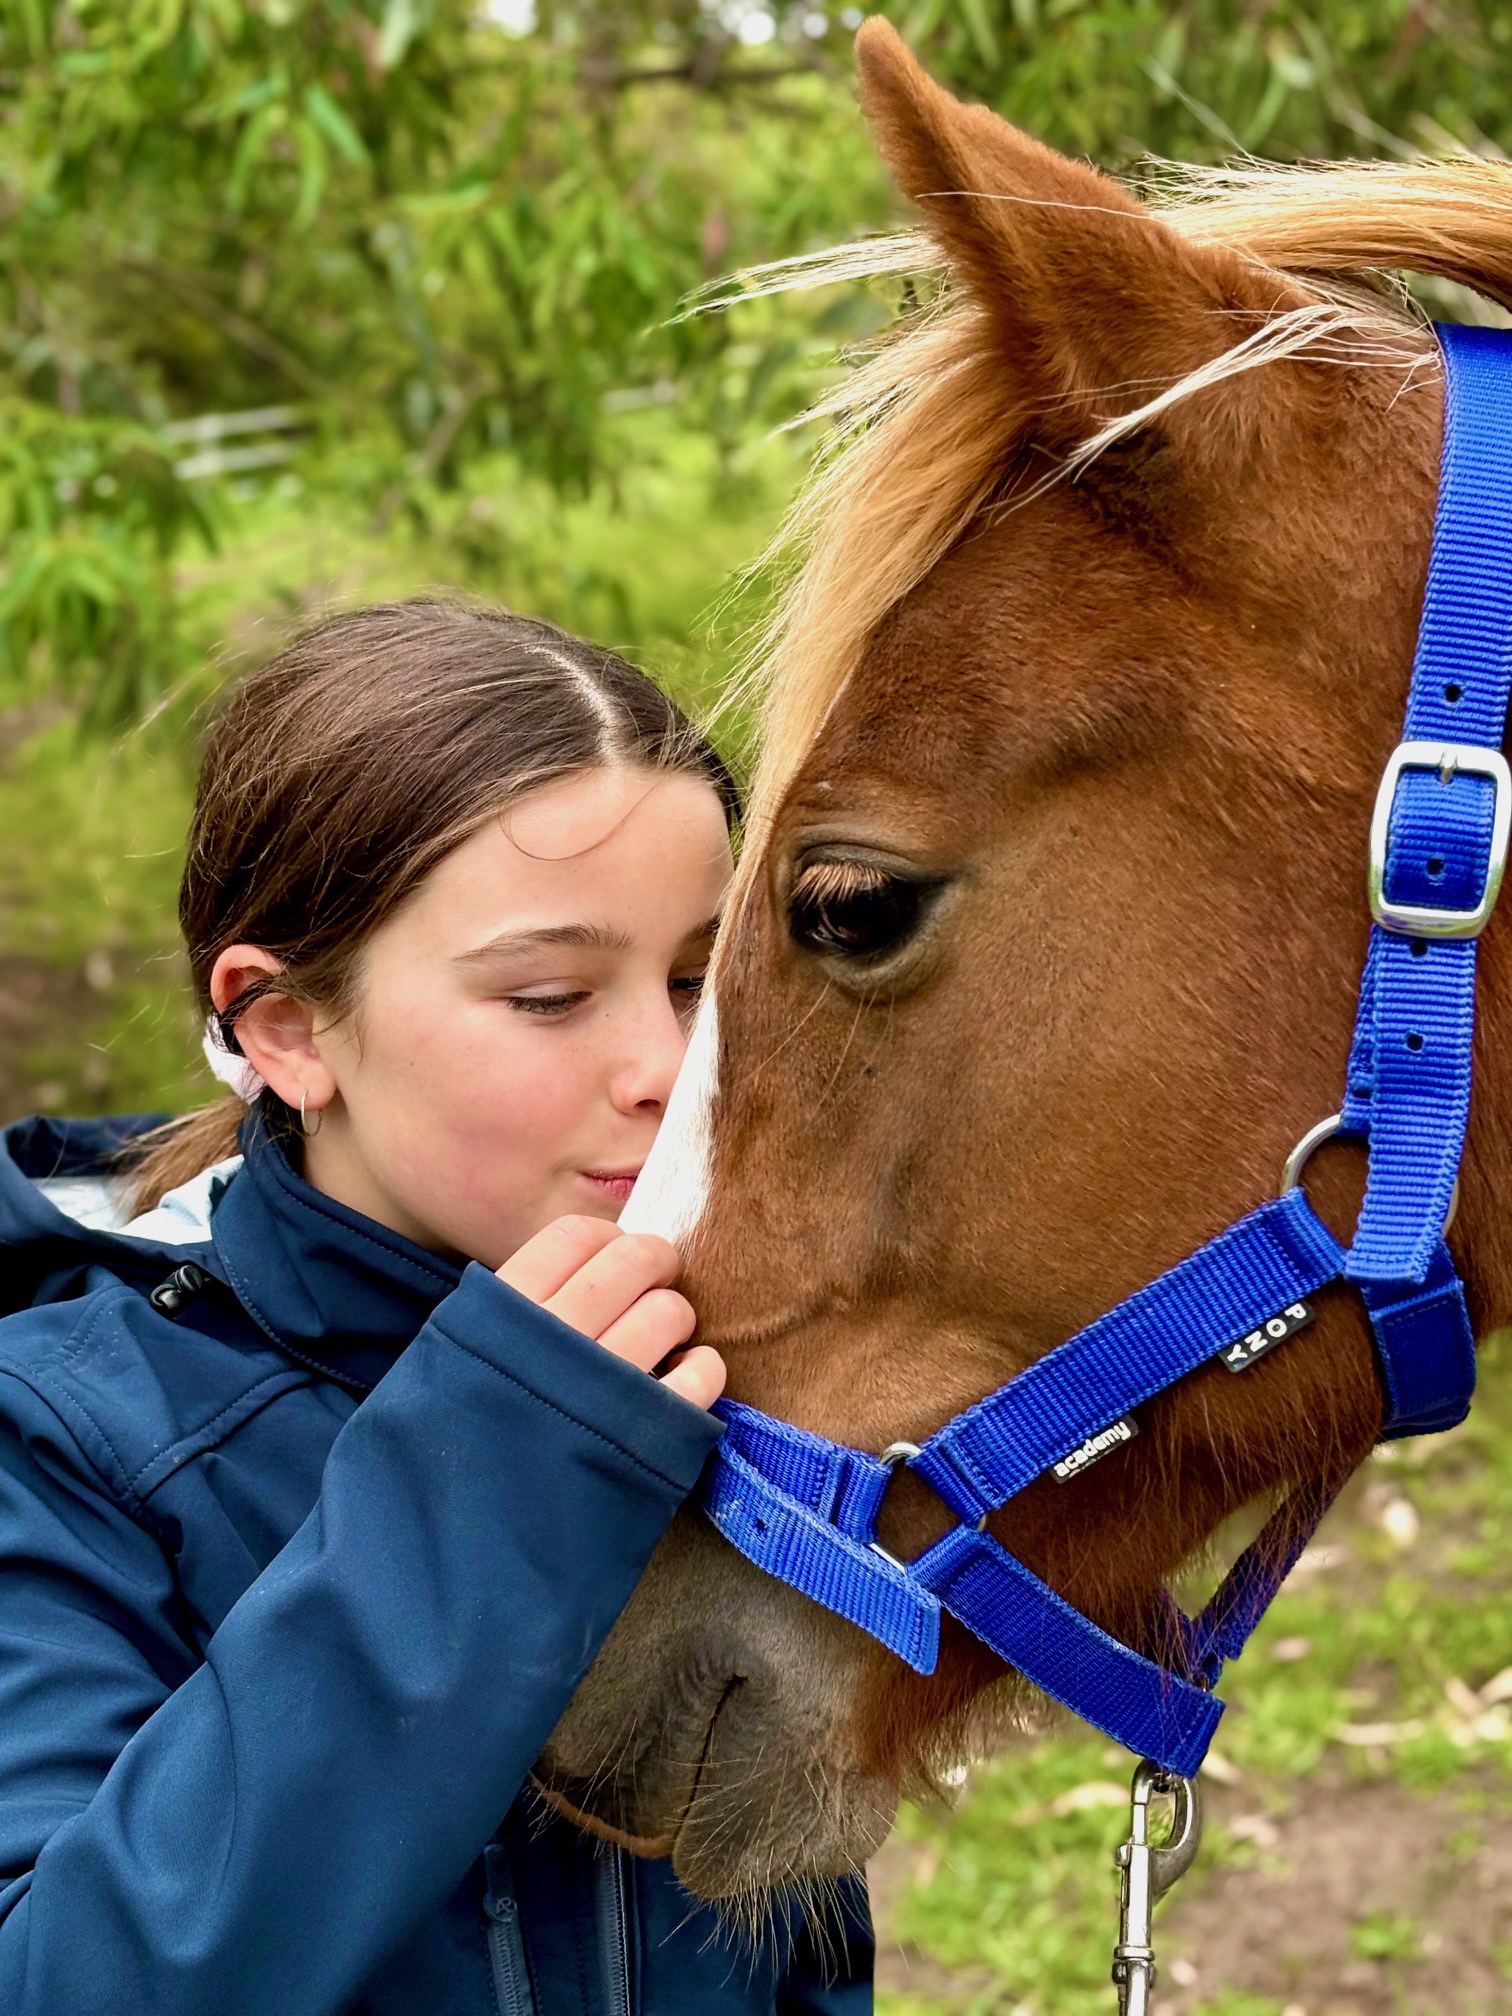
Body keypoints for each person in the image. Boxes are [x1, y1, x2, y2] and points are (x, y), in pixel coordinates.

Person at [0, 601, 872, 2015]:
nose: (669, 1063)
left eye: (699, 979)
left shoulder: (705, 1364)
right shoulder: (60, 1442)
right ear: (284, 1027)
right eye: (548, 994)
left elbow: (793, 1942)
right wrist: (499, 1476)